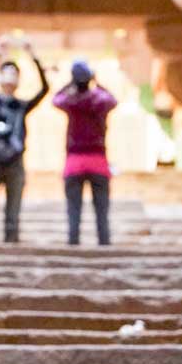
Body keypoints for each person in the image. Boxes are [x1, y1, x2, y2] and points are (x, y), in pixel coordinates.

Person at [0, 37, 49, 243]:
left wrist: (33, 58)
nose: (10, 76)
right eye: (6, 72)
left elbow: (44, 89)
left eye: (14, 73)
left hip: (15, 158)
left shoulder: (21, 107)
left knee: (13, 213)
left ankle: (11, 242)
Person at [53, 60, 117, 246]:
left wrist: (69, 84)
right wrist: (97, 82)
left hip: (74, 161)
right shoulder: (100, 100)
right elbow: (113, 100)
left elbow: (56, 99)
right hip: (98, 161)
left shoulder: (71, 101)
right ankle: (104, 243)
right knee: (102, 210)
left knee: (74, 209)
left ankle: (73, 242)